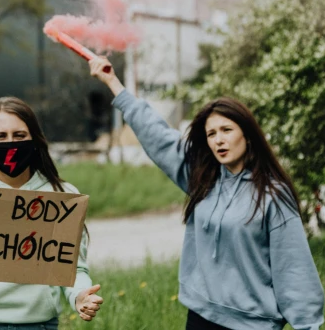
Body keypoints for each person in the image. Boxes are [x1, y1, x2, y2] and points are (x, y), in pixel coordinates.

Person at [89, 56, 324, 330]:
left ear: (247, 135)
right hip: (200, 317)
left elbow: (294, 267)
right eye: (211, 133)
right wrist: (112, 81)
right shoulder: (203, 178)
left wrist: (307, 325)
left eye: (226, 130)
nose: (218, 140)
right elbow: (158, 135)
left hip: (251, 324)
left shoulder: (273, 195)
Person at [0, 96, 102, 329]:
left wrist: (80, 296)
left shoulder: (62, 196)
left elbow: (72, 268)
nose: (10, 144)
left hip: (38, 324)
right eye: (0, 137)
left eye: (19, 136)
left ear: (34, 139)